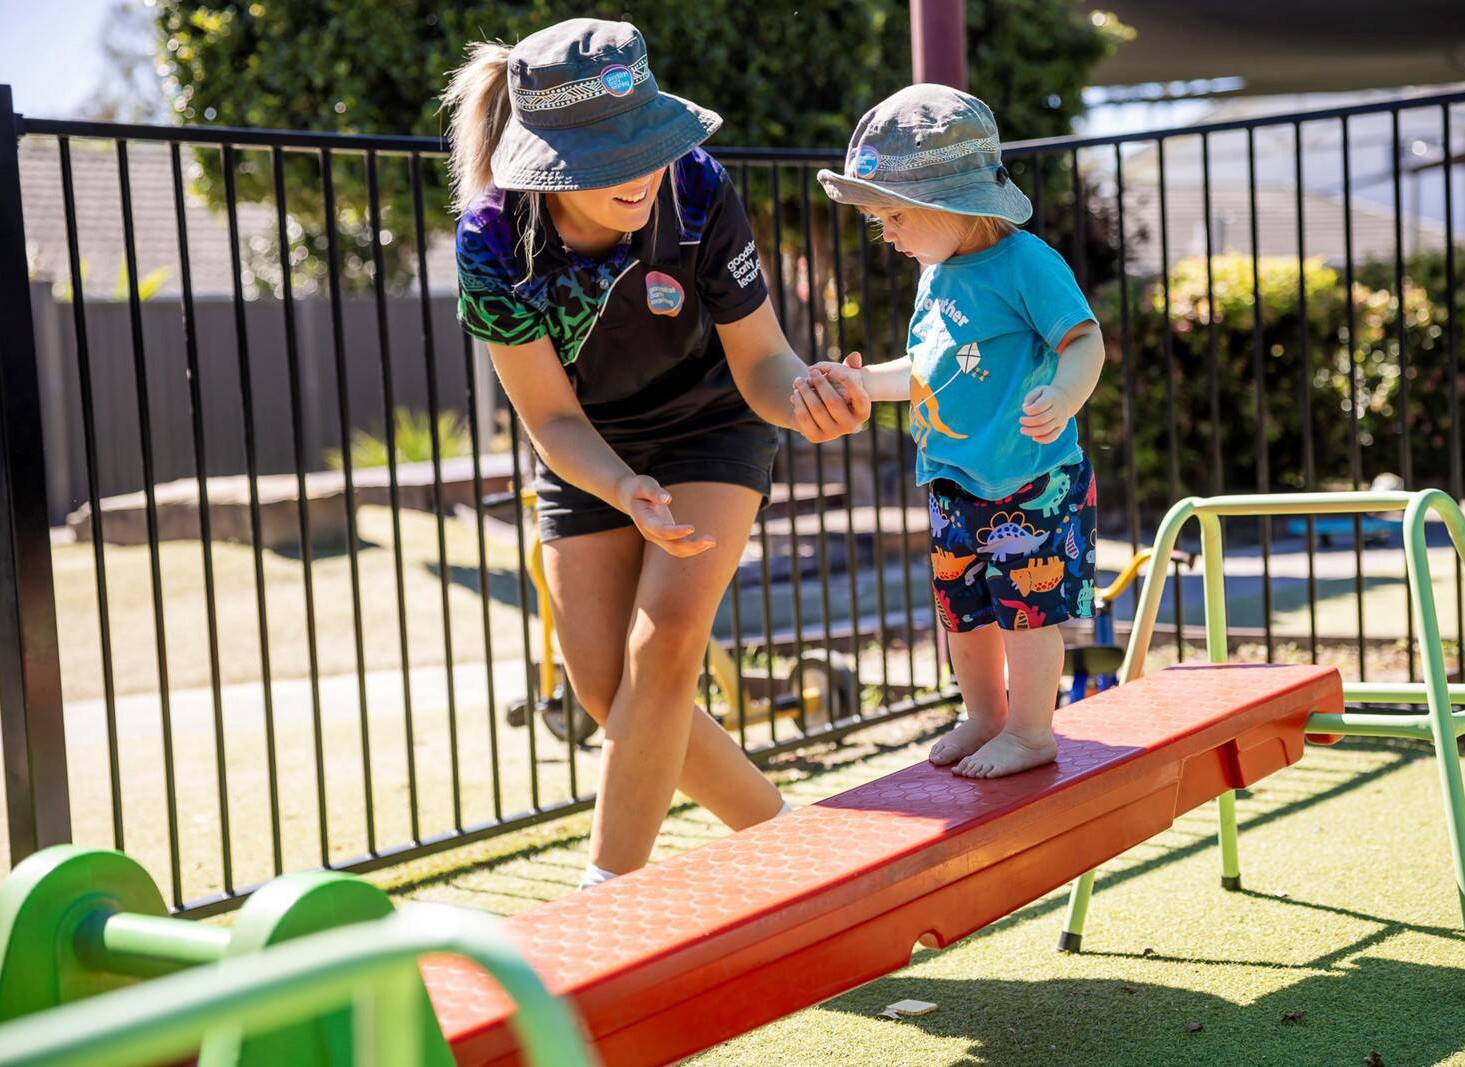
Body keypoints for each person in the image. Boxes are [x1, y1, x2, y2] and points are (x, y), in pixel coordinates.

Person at [444, 18, 870, 887]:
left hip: (710, 424)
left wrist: (807, 400)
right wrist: (620, 483)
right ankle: (803, 856)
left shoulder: (698, 187)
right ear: (547, 161)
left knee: (666, 640)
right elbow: (550, 420)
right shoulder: (490, 240)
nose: (642, 172)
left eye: (649, 142)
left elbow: (764, 362)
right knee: (608, 690)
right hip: (588, 449)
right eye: (613, 156)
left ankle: (601, 901)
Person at [800, 84, 1103, 779]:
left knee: (1026, 611)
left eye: (895, 216)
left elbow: (1084, 339)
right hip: (953, 480)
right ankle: (986, 715)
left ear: (953, 202)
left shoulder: (1026, 263)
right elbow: (927, 369)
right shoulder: (935, 275)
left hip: (1030, 476)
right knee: (963, 611)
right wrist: (861, 383)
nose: (887, 234)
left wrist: (1063, 394)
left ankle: (1031, 731)